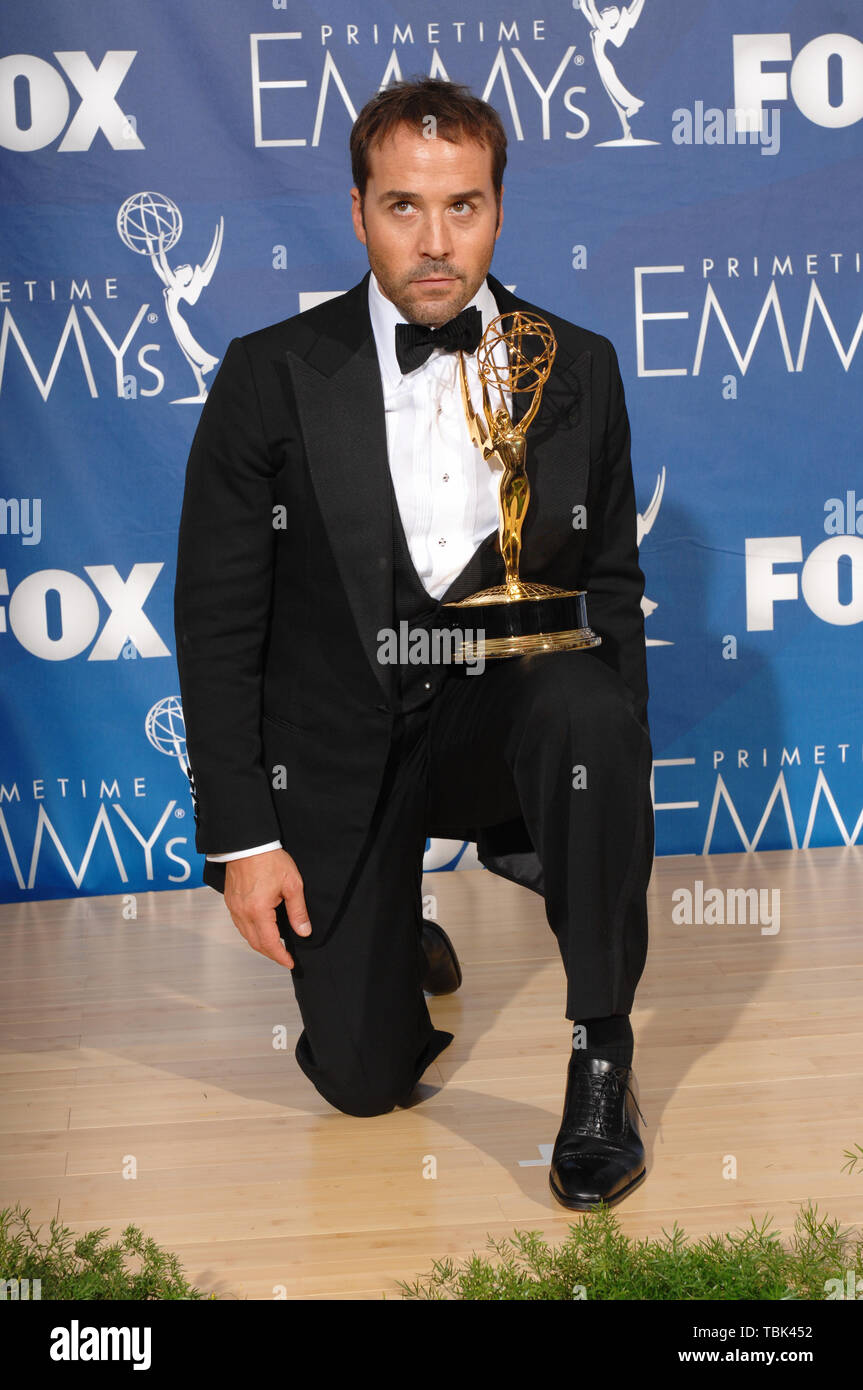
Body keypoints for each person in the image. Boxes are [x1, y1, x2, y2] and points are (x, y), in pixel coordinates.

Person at [174, 76, 654, 1211]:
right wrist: (241, 836)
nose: (434, 242)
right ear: (356, 213)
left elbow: (613, 590)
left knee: (581, 703)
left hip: (503, 719)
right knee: (358, 1080)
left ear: (497, 210)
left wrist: (609, 774)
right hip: (342, 743)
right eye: (402, 207)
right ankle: (399, 931)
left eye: (462, 207)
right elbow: (216, 615)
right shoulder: (268, 374)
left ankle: (601, 1059)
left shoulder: (572, 364)